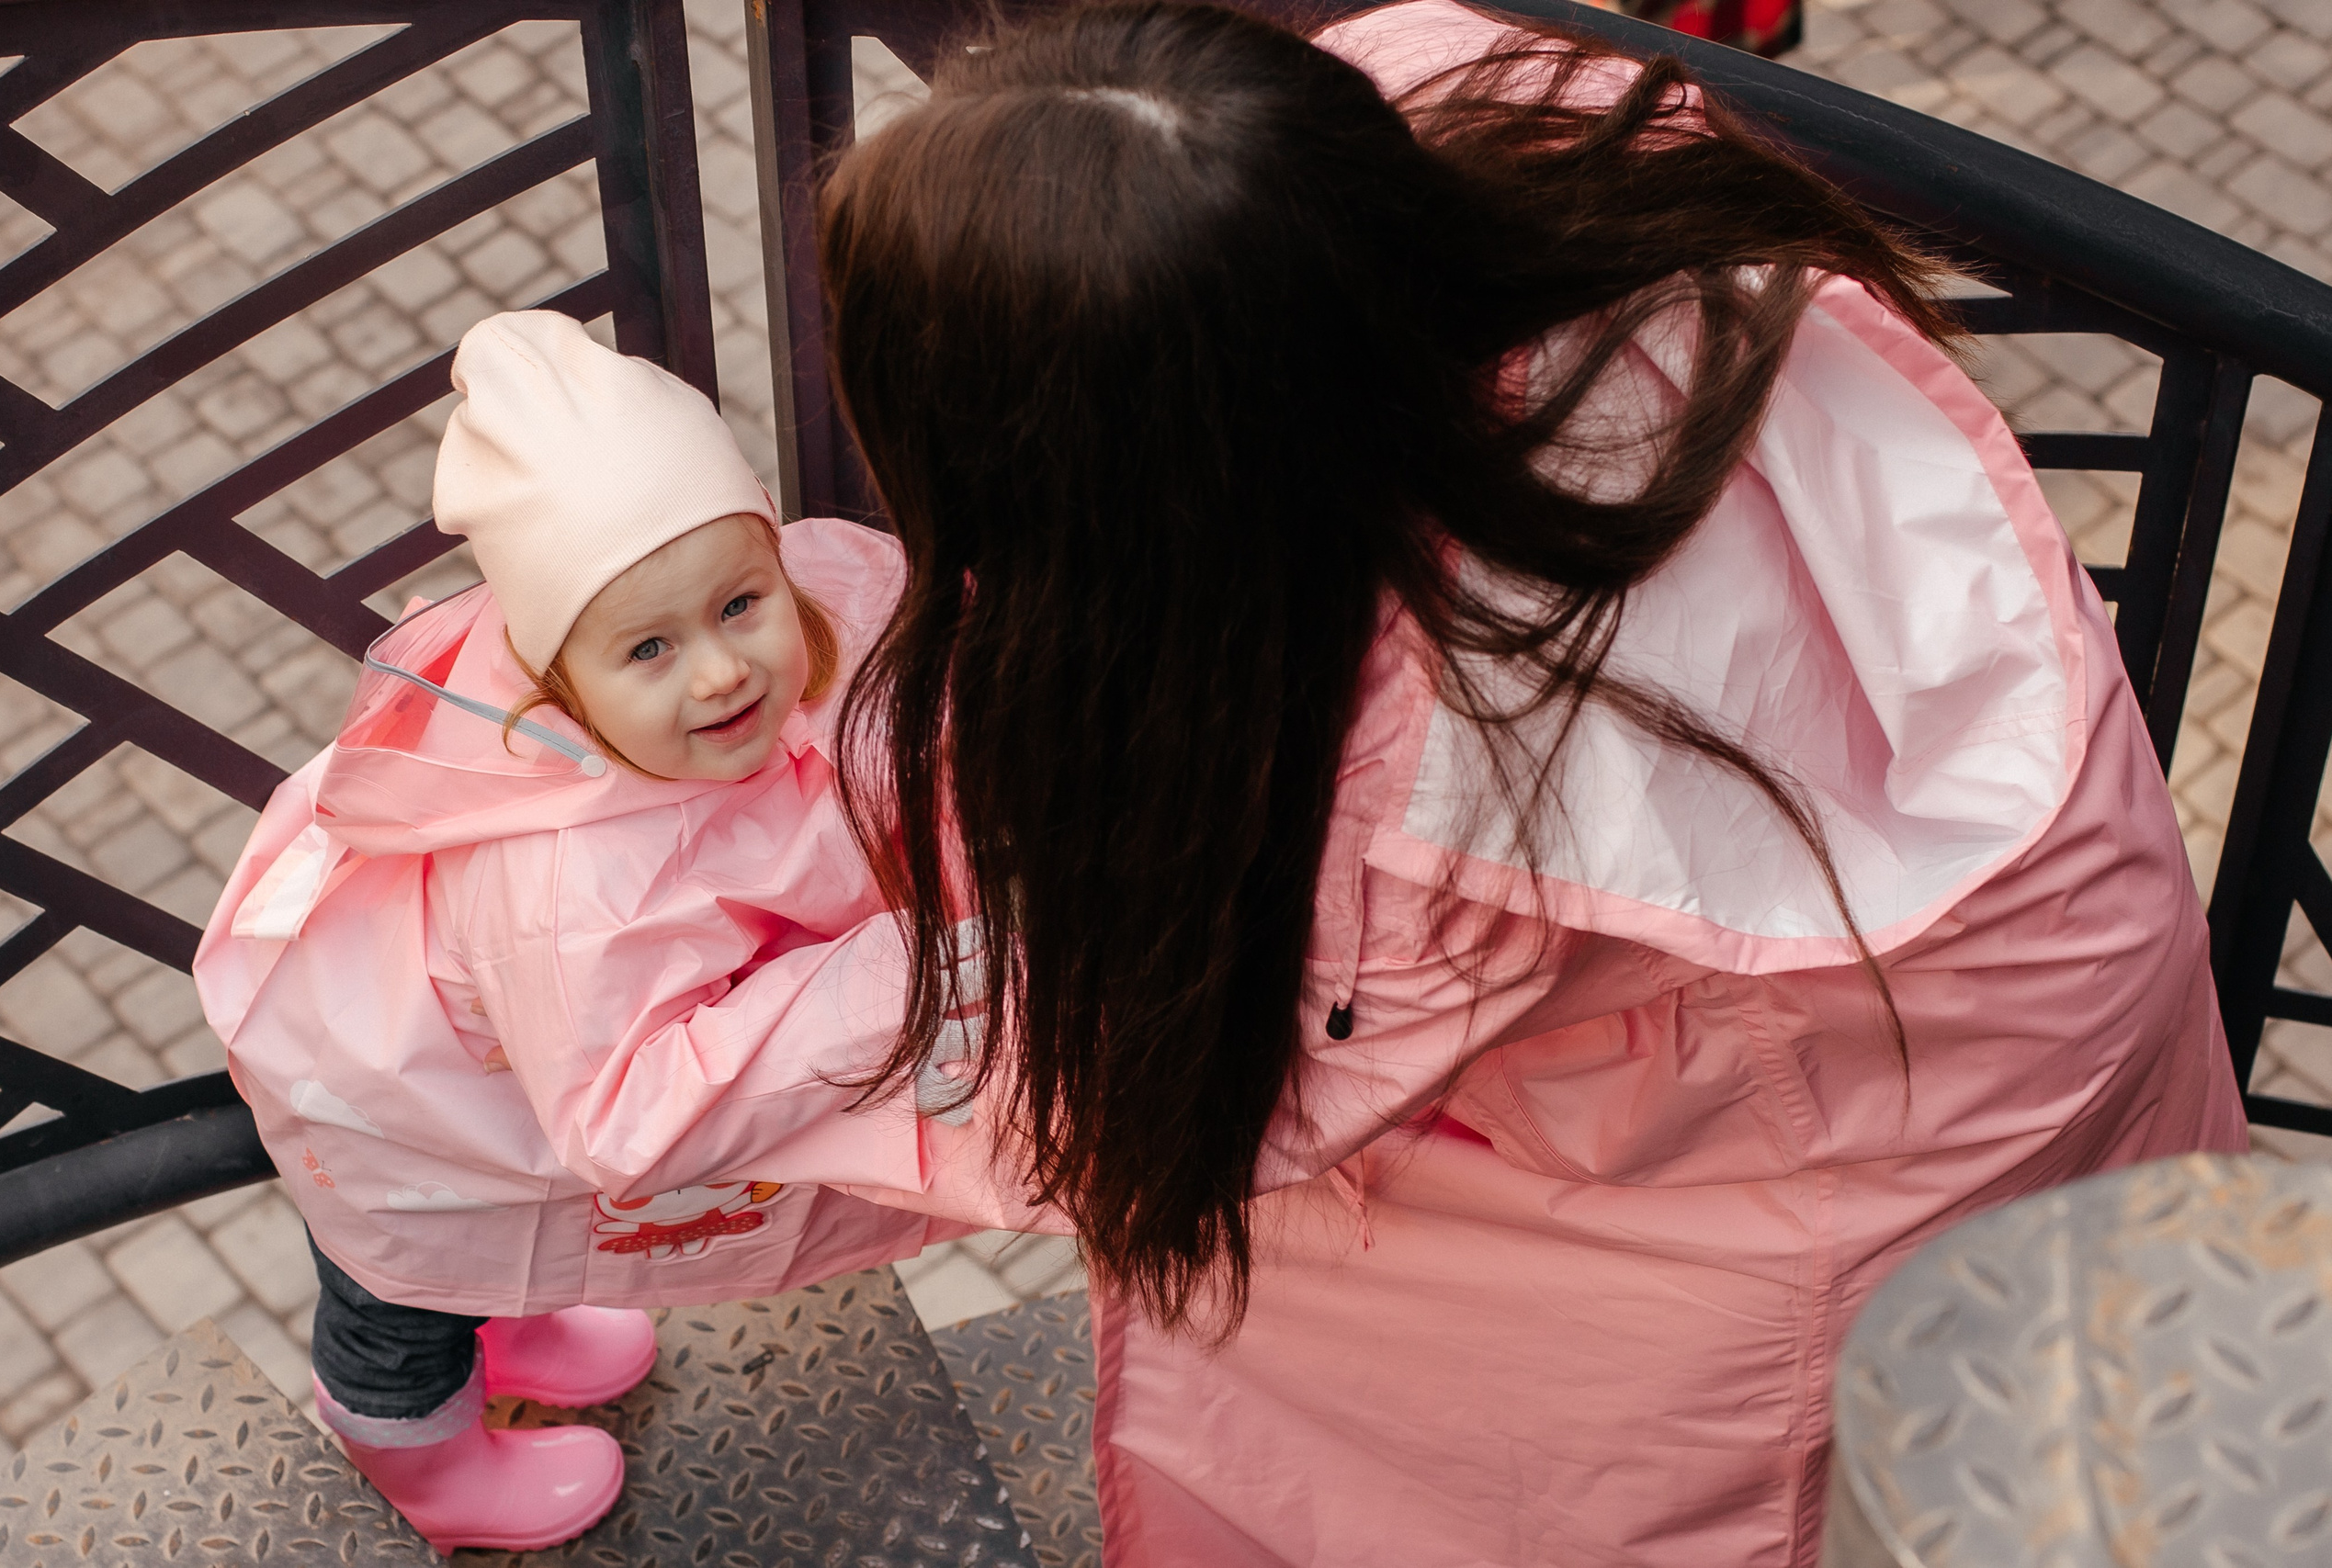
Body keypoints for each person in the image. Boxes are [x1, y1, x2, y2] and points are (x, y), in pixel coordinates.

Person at [417, 4, 2251, 1563]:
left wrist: (648, 1073)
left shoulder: (1429, 789)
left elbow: (1167, 1106)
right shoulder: (1453, 117)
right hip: (1993, 1027)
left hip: (1816, 1195)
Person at [194, 311, 945, 1554]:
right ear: (558, 686)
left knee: (487, 1247)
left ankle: (519, 1309)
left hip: (487, 1072)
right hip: (390, 1111)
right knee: (398, 1299)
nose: (719, 672)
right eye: (650, 648)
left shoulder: (747, 641)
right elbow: (626, 1115)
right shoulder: (569, 884)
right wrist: (882, 974)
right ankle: (413, 1455)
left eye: (740, 602)